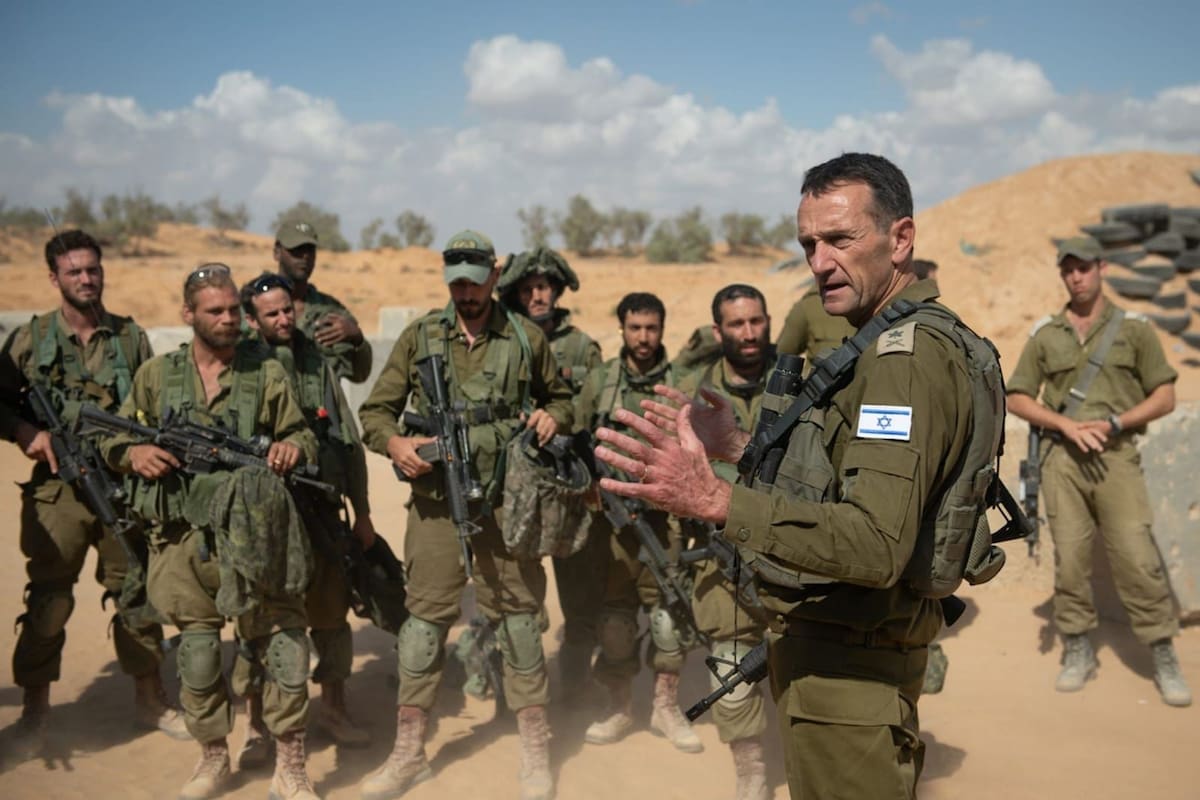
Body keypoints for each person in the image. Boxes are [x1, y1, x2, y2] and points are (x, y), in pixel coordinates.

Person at [593, 153, 1002, 798]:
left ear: (901, 240)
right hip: (843, 658)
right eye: (809, 244)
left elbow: (875, 543)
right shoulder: (890, 340)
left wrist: (717, 500)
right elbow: (852, 477)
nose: (819, 262)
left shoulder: (902, 360)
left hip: (850, 672)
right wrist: (741, 443)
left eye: (841, 239)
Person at [357, 230, 573, 800]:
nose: (465, 294)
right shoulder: (421, 335)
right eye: (455, 283)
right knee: (424, 626)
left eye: (474, 284)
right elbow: (375, 412)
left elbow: (564, 399)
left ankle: (535, 747)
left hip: (506, 503)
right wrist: (396, 445)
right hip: (435, 504)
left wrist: (553, 417)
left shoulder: (525, 338)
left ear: (495, 277)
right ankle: (409, 752)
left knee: (521, 622)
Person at [100, 264, 322, 800]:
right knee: (198, 656)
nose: (228, 320)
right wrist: (134, 453)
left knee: (285, 648)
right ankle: (213, 758)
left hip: (254, 536)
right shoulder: (157, 376)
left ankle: (290, 765)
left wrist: (292, 447)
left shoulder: (266, 372)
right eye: (214, 311)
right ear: (188, 315)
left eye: (232, 310)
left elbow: (301, 437)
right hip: (181, 537)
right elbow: (110, 437)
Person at [0, 229, 187, 755]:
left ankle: (151, 698)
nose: (86, 279)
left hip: (119, 487)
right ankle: (36, 712)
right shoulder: (29, 339)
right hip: (57, 490)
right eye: (74, 271)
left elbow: (152, 407)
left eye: (93, 269)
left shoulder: (130, 338)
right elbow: (1, 402)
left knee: (137, 591)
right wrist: (24, 433)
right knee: (50, 601)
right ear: (54, 277)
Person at [1006, 236, 1191, 707]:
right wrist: (1065, 423)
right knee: (1070, 559)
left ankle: (1162, 652)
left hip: (1116, 455)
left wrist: (1115, 422)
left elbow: (1164, 395)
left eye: (1083, 267)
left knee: (1136, 554)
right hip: (1062, 460)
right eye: (1068, 269)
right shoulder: (1047, 333)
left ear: (1101, 267)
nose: (1076, 276)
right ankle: (1078, 647)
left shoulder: (1134, 329)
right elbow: (1018, 395)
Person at [231, 272, 380, 767]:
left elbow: (347, 437)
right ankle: (256, 727)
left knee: (332, 614)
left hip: (322, 505)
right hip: (267, 514)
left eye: (286, 309)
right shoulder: (243, 364)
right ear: (252, 319)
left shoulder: (316, 358)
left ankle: (333, 708)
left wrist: (362, 511)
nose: (282, 319)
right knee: (259, 621)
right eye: (270, 313)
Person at [576, 292, 701, 754]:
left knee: (670, 615)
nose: (643, 338)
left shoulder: (681, 385)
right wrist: (588, 481)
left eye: (651, 328)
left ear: (663, 329)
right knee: (615, 620)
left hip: (664, 523)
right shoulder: (601, 382)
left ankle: (665, 708)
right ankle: (619, 706)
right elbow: (574, 439)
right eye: (635, 328)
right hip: (612, 527)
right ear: (622, 329)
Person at [673, 284, 774, 800]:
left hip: (798, 553)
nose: (749, 333)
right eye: (737, 324)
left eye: (756, 321)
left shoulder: (800, 381)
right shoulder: (694, 394)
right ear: (719, 332)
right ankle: (752, 772)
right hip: (726, 563)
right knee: (731, 678)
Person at [498, 246, 605, 697]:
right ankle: (514, 687)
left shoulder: (581, 346)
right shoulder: (504, 340)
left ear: (557, 291)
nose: (536, 296)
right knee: (514, 594)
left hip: (570, 484)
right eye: (526, 289)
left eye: (543, 287)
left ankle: (575, 687)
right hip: (516, 486)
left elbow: (596, 414)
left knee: (580, 594)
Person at [273, 221, 373, 382]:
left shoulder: (331, 311)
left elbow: (360, 375)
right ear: (277, 252)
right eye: (296, 251)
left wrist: (357, 339)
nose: (305, 257)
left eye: (310, 251)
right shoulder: (254, 305)